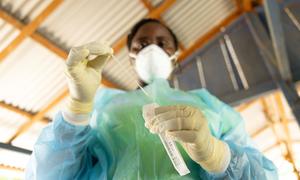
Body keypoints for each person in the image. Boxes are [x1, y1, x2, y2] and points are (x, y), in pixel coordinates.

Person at [25, 18, 278, 179]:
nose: (152, 48)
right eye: (141, 44)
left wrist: (217, 155)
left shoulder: (212, 108)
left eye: (162, 43)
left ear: (175, 54)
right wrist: (78, 107)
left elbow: (262, 176)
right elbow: (49, 175)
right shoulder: (104, 107)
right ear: (131, 56)